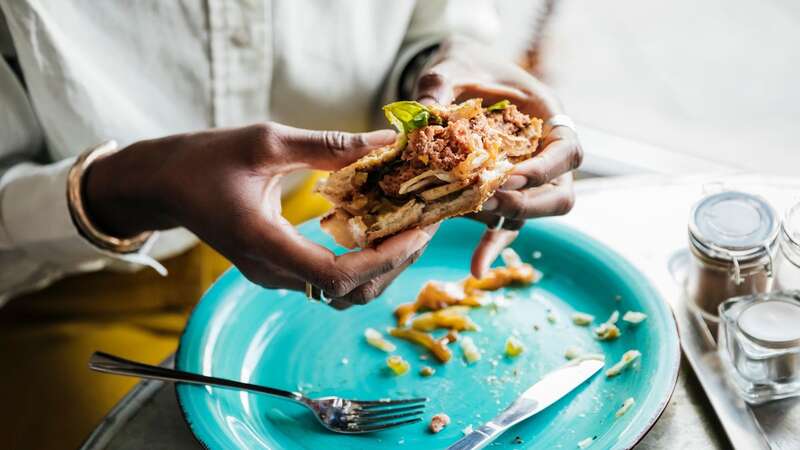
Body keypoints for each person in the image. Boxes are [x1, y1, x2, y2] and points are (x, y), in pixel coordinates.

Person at [0, 1, 581, 448]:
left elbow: (425, 25)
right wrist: (133, 186)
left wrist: (439, 71)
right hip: (66, 291)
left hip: (315, 233)